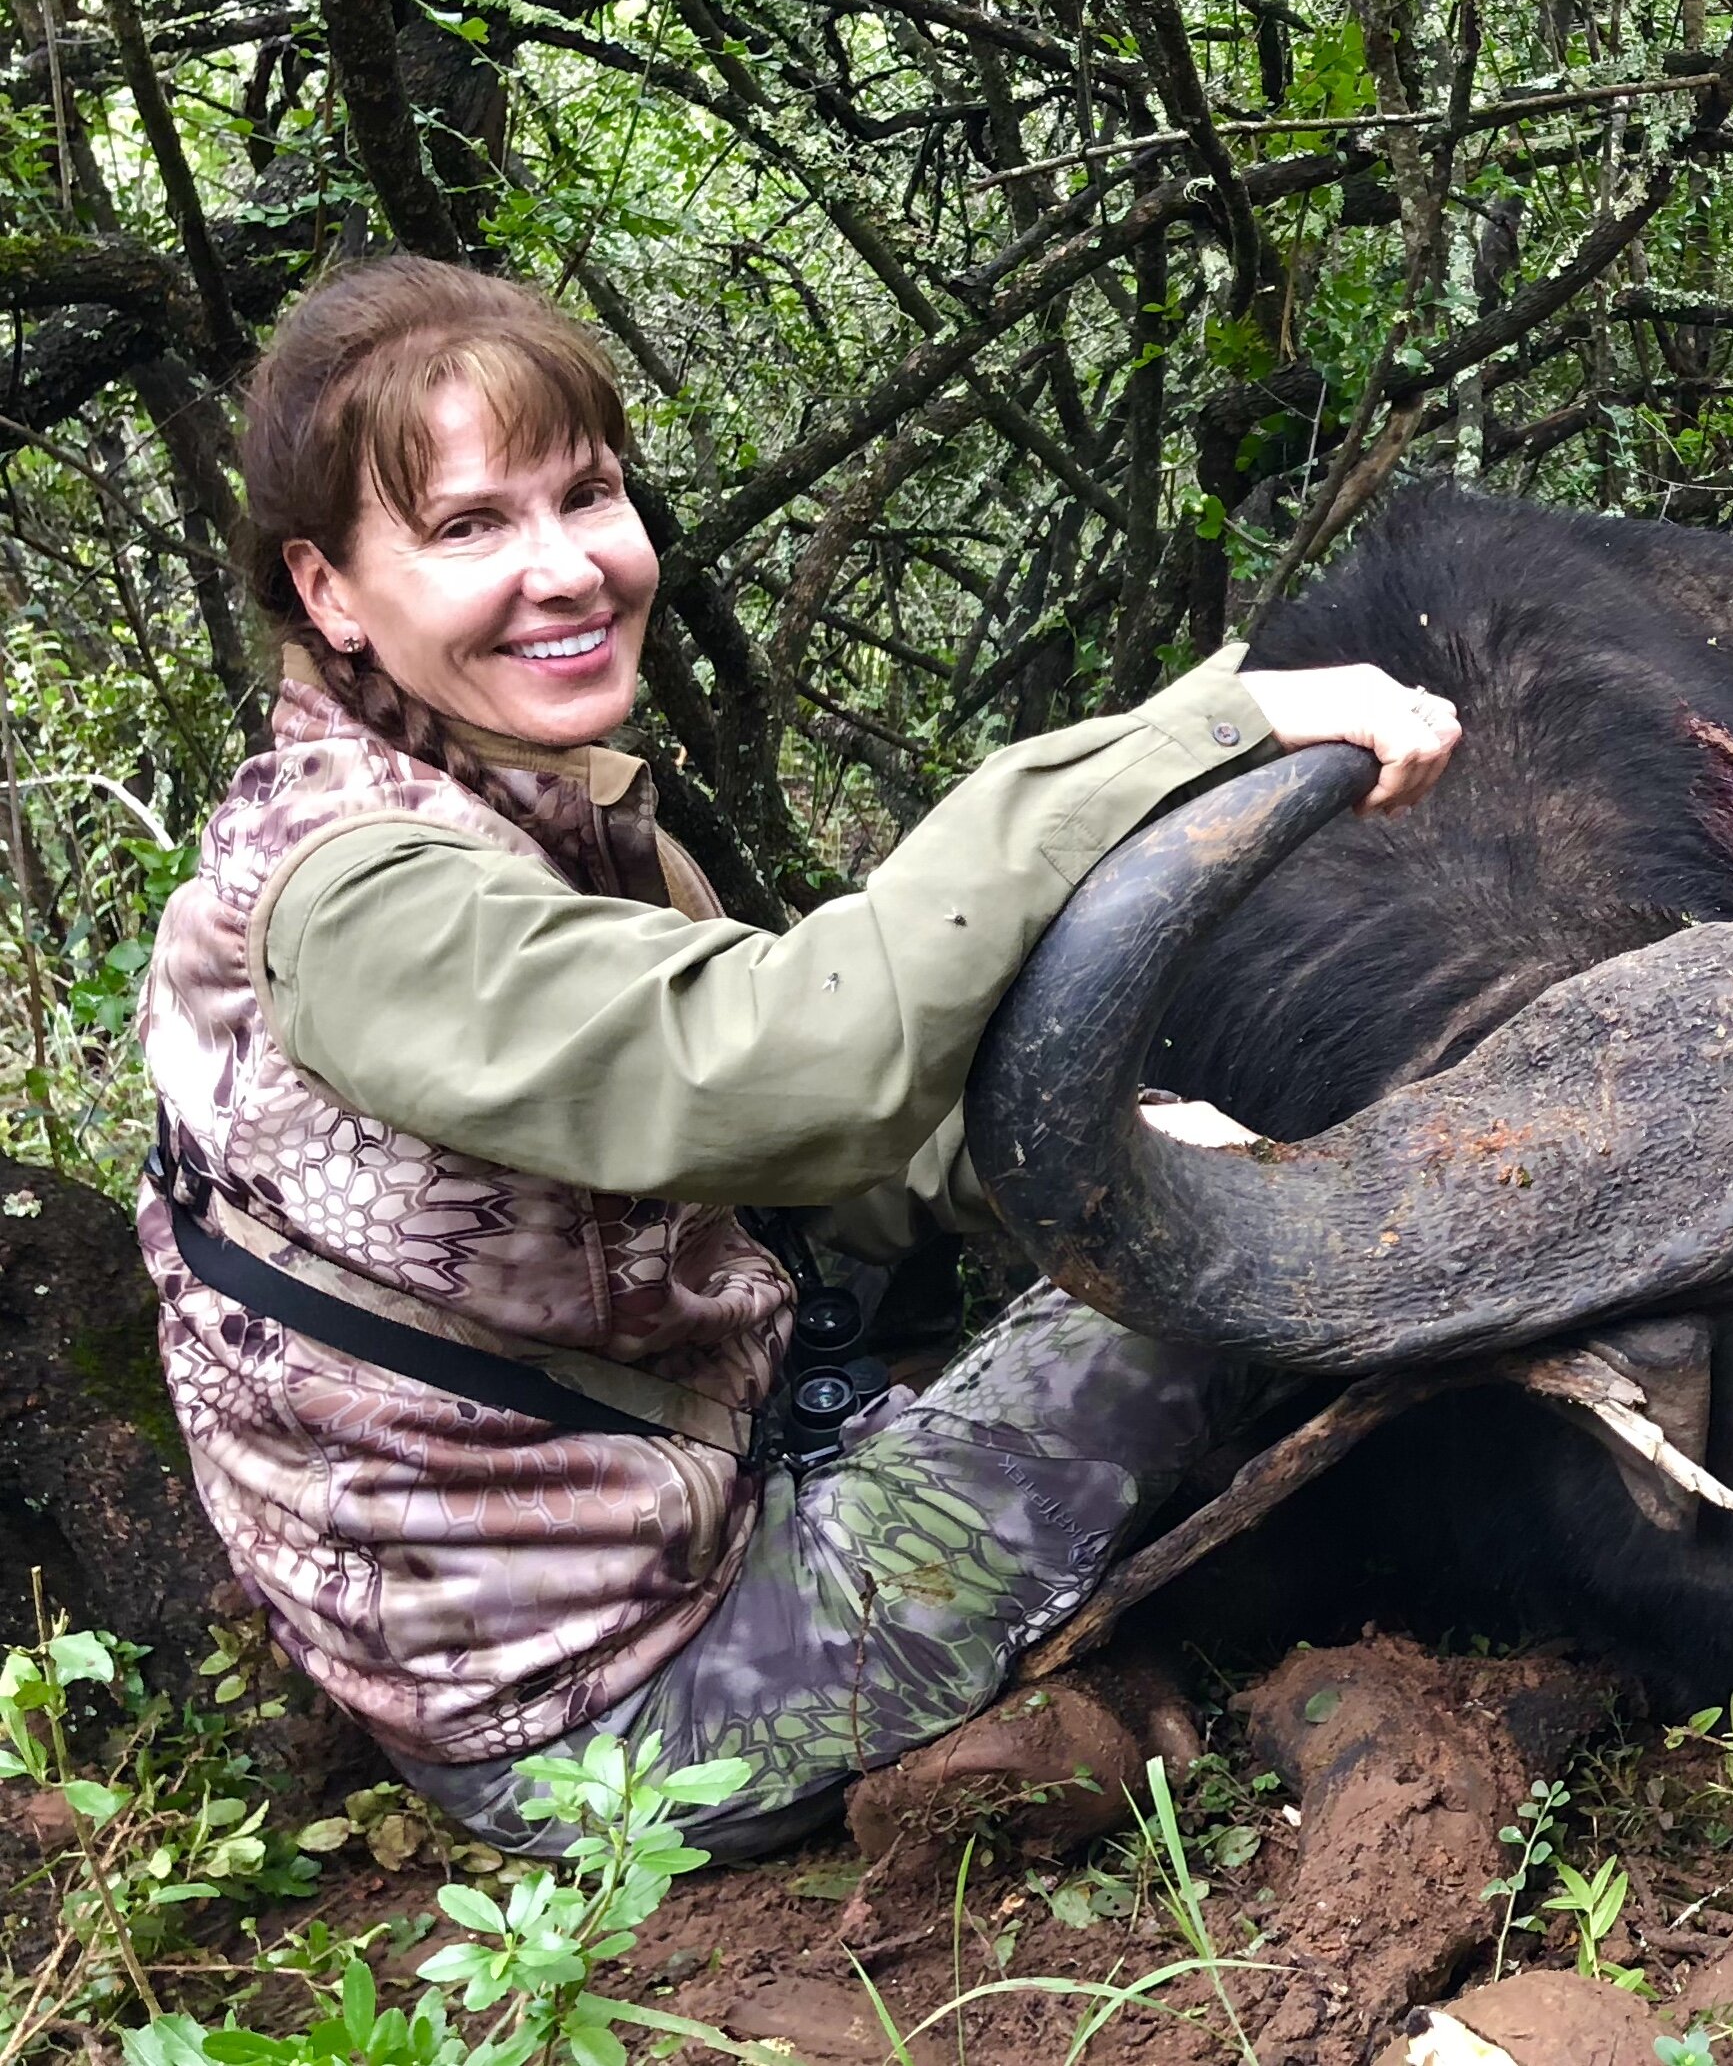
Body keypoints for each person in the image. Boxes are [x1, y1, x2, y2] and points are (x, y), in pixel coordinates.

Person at [137, 257, 1462, 1856]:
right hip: (613, 1726)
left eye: (587, 496)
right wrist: (1208, 731)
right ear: (332, 590)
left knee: (1194, 1174)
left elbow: (779, 1160)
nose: (562, 570)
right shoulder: (365, 900)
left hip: (643, 1549)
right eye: (470, 526)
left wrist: (1103, 1142)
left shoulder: (499, 819)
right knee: (1225, 1277)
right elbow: (789, 1068)